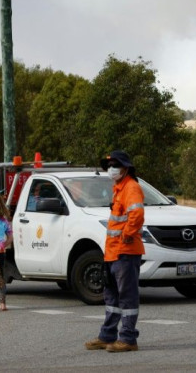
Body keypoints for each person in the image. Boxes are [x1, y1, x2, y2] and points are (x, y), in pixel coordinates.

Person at [85, 150, 145, 353]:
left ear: (125, 168)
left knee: (127, 296)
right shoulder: (119, 188)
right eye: (109, 165)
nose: (111, 169)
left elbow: (136, 214)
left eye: (115, 165)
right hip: (113, 253)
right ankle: (107, 336)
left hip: (125, 252)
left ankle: (128, 338)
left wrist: (127, 234)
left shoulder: (131, 187)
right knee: (112, 297)